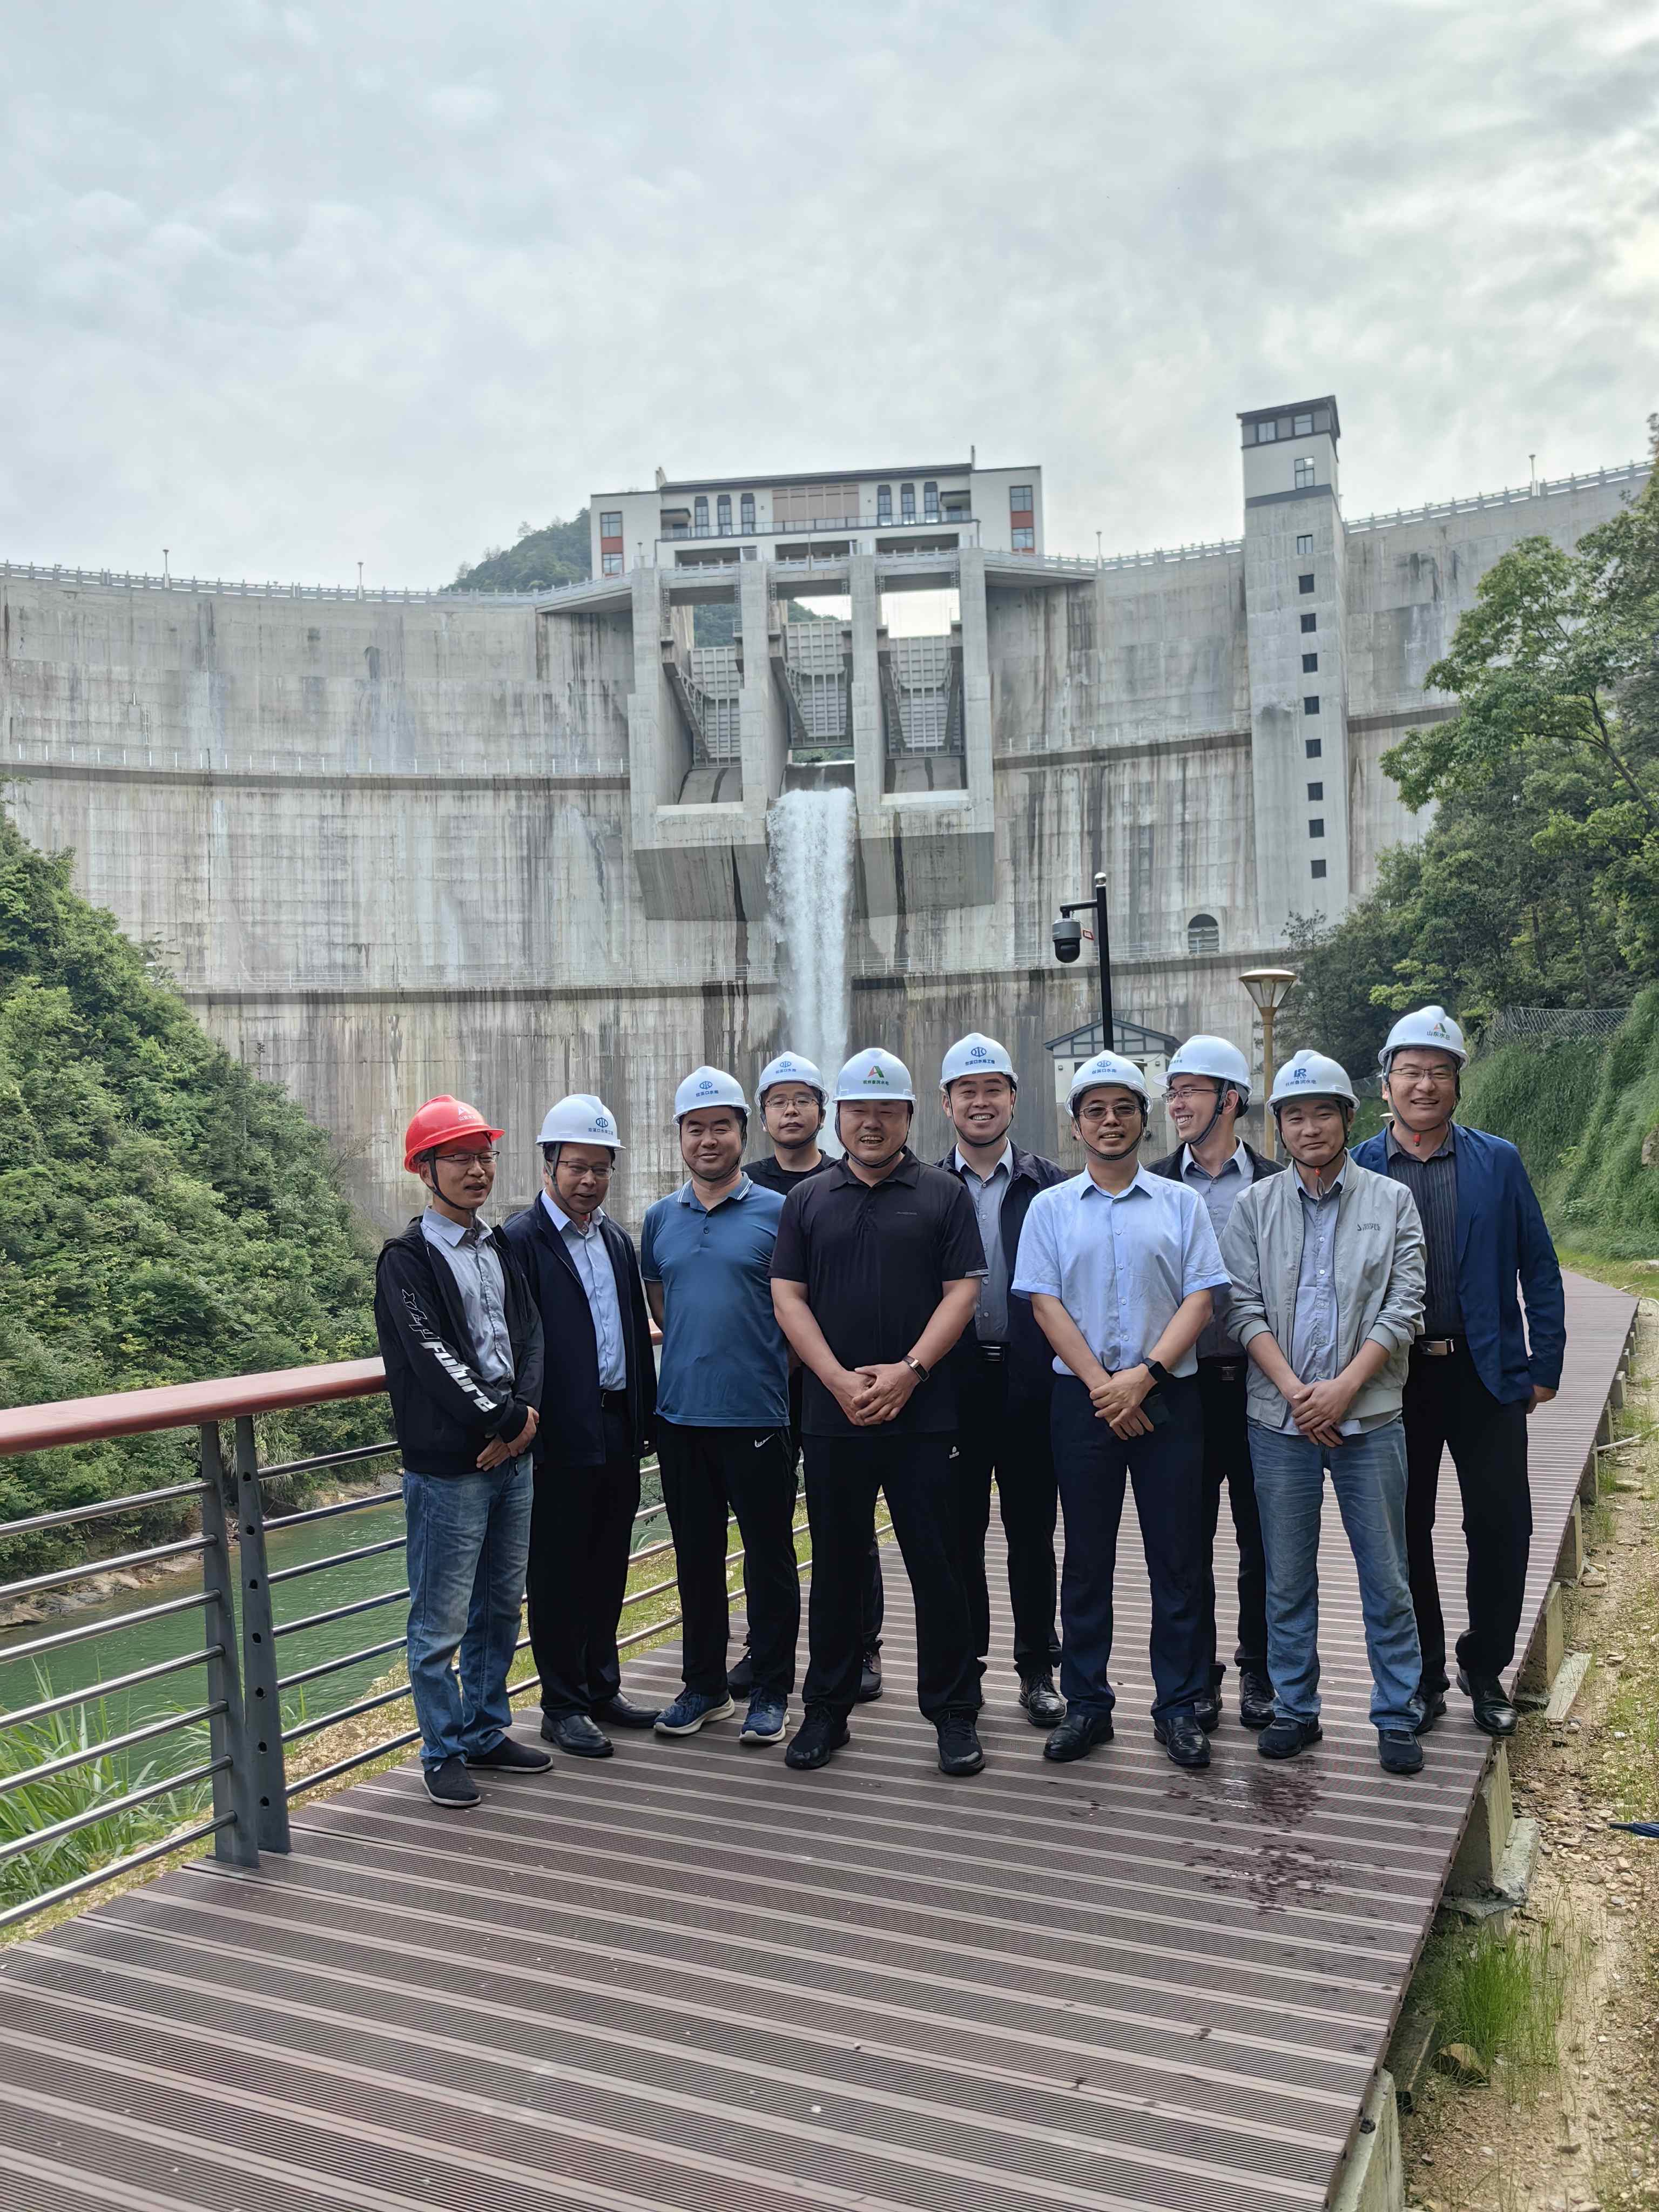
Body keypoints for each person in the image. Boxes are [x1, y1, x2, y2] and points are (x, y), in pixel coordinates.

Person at [770, 1048, 988, 1777]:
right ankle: (825, 1710)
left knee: (939, 1563)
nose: (871, 1123)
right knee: (835, 1565)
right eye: (859, 1111)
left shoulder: (943, 1194)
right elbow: (787, 1296)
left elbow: (963, 1292)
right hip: (834, 1414)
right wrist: (834, 1378)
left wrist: (911, 1371)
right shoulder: (808, 1200)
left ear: (908, 1117)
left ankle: (953, 1712)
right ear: (839, 1118)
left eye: (886, 1111)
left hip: (925, 1415)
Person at [1013, 1050, 1230, 1770]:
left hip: (1170, 1397)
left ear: (1144, 1118)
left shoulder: (1180, 1204)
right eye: (1096, 1111)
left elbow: (1202, 1298)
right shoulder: (1050, 1208)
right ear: (1076, 1125)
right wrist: (1106, 1387)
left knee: (1178, 1555)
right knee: (1086, 1557)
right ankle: (1087, 1705)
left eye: (1124, 1109)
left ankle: (1180, 1707)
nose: (1111, 1121)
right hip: (1083, 1402)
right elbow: (1045, 1303)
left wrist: (1144, 1376)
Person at [1353, 1006, 1566, 1738]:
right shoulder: (1360, 1167)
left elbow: (1539, 1266)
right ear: (1386, 1084)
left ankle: (1485, 1667)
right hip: (1394, 1376)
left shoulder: (1496, 1161)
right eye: (1411, 1071)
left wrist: (1544, 1364)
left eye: (1439, 1071)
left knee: (1502, 1525)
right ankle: (1421, 1677)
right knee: (1403, 1529)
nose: (1425, 1084)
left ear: (1456, 1083)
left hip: (1486, 1373)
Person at [1220, 1050, 1427, 1775]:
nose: (1310, 1128)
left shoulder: (1392, 1201)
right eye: (1295, 1116)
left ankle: (1397, 1713)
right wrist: (1296, 1393)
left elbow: (1405, 1305)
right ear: (1279, 1127)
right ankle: (1295, 1708)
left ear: (1348, 1118)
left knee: (1387, 1574)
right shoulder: (1254, 1206)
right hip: (1278, 1422)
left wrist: (1343, 1389)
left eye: (1322, 1113)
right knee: (1286, 1575)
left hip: (1370, 1415)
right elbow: (1241, 1309)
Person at [374, 1096, 549, 1809]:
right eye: (459, 1158)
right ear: (425, 1170)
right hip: (451, 1466)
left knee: (500, 1607)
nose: (477, 1170)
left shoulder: (497, 1245)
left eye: (484, 1156)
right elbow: (432, 1356)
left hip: (513, 1456)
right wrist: (503, 1421)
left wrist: (524, 1420)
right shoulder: (407, 1259)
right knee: (440, 1620)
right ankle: (442, 1751)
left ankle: (483, 1730)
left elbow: (530, 1335)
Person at [642, 1068, 799, 1746]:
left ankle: (771, 1690)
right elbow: (662, 1306)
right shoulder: (659, 1218)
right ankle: (704, 1687)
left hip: (758, 1415)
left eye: (721, 1128)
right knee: (695, 1559)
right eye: (695, 1129)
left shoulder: (780, 1212)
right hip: (680, 1418)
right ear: (680, 1136)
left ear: (742, 1133)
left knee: (769, 1559)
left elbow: (800, 1312)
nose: (708, 1140)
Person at [500, 1094, 659, 1758]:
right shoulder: (520, 1240)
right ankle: (562, 1705)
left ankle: (601, 1687)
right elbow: (511, 1343)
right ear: (549, 1165)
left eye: (600, 1168)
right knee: (558, 1571)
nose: (589, 1180)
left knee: (607, 1562)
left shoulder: (616, 1239)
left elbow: (633, 1334)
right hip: (556, 1431)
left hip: (616, 1423)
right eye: (576, 1167)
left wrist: (645, 1419)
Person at [740, 1050, 885, 1704]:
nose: (792, 1111)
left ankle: (863, 1644)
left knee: (849, 1519)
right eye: (779, 1101)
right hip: (765, 1382)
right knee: (765, 1523)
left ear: (823, 1112)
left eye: (803, 1099)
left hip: (836, 1378)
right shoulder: (744, 1184)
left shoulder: (847, 1176)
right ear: (763, 1114)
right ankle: (765, 1647)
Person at [1148, 1035, 1283, 1734]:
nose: (1177, 1104)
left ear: (1230, 1099)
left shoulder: (1276, 1182)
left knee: (1263, 1539)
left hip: (1260, 1383)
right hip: (1184, 1387)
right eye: (1172, 1092)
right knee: (1186, 1538)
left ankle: (1259, 1669)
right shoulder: (1153, 1185)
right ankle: (1198, 1675)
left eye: (1191, 1091)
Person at [935, 1031, 1067, 1724]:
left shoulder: (1052, 1185)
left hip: (1030, 1381)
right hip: (953, 1386)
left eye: (993, 1090)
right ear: (947, 1104)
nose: (981, 1102)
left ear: (1014, 1099)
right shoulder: (927, 1186)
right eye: (968, 1091)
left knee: (1031, 1533)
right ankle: (967, 1667)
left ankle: (1038, 1666)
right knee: (959, 1535)